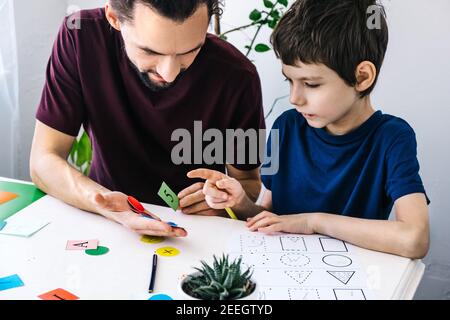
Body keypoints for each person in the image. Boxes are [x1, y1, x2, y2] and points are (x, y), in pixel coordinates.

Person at [189, 0, 430, 259]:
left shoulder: (392, 139)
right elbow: (270, 218)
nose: (295, 98)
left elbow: (414, 239)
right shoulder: (287, 126)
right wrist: (240, 204)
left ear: (361, 77)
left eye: (311, 84)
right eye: (290, 80)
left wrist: (313, 222)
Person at [30, 0, 264, 238]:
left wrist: (227, 202)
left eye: (190, 50)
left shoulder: (238, 76)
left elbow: (248, 181)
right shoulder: (80, 36)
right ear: (113, 18)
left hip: (197, 232)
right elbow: (43, 160)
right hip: (104, 222)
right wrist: (103, 203)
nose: (169, 73)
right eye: (150, 51)